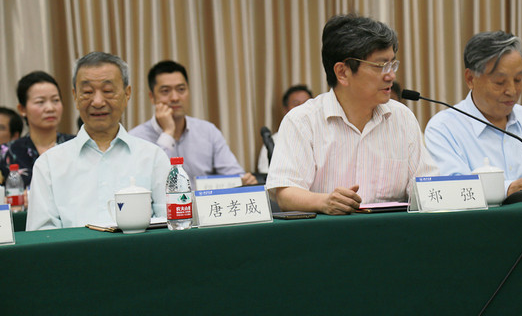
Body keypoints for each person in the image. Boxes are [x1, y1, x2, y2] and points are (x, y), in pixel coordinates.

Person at [266, 14, 439, 215]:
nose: (391, 75)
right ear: (342, 72)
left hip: (390, 232)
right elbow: (285, 193)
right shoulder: (303, 121)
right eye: (381, 66)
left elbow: (428, 187)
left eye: (392, 64)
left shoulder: (402, 118)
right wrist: (324, 201)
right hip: (329, 232)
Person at [26, 52, 169, 230]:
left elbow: (169, 223)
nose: (98, 102)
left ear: (127, 94)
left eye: (108, 91)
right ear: (75, 96)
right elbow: (41, 234)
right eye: (87, 92)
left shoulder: (153, 157)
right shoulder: (48, 164)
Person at [424, 31, 522, 197]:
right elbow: (456, 191)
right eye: (500, 82)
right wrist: (509, 188)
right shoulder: (443, 128)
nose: (512, 91)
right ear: (470, 79)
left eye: (518, 80)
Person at [129, 60, 257, 188]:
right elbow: (148, 183)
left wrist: (243, 180)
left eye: (181, 89)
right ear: (152, 97)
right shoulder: (136, 138)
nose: (175, 98)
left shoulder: (208, 131)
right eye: (165, 91)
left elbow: (233, 174)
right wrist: (167, 133)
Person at [0, 72, 74, 188]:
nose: (50, 108)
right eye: (40, 102)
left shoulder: (76, 145)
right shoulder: (8, 152)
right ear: (22, 109)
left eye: (55, 100)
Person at [257, 84, 313, 173]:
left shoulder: (325, 135)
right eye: (296, 104)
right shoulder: (274, 141)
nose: (302, 108)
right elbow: (265, 173)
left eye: (306, 103)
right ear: (285, 110)